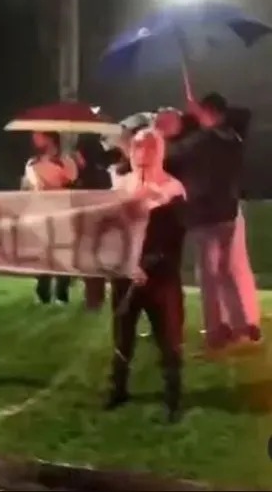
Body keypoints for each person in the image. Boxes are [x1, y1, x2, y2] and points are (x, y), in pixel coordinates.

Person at [167, 92, 261, 354]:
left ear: (209, 111)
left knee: (209, 277)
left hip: (206, 215)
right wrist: (199, 112)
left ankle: (217, 332)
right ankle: (242, 326)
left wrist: (189, 118)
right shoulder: (233, 137)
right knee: (227, 273)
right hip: (227, 213)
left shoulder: (203, 140)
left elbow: (172, 155)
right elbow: (241, 115)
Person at [105, 128, 187, 423]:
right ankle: (118, 389)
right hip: (125, 274)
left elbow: (174, 237)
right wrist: (127, 264)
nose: (142, 154)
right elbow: (112, 232)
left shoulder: (173, 188)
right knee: (122, 335)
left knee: (168, 337)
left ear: (159, 152)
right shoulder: (122, 185)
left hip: (160, 277)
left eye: (149, 148)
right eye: (138, 148)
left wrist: (148, 265)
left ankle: (172, 398)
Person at [21, 131, 78, 305]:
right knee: (42, 255)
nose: (35, 139)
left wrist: (54, 185)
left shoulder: (66, 161)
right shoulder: (33, 162)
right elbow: (25, 188)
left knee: (61, 253)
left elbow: (73, 184)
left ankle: (61, 294)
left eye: (39, 136)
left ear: (50, 138)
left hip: (62, 213)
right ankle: (42, 292)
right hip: (40, 213)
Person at [73, 135, 115, 311]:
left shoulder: (88, 176)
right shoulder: (102, 172)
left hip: (89, 222)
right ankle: (95, 297)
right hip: (101, 222)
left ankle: (93, 299)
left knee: (90, 261)